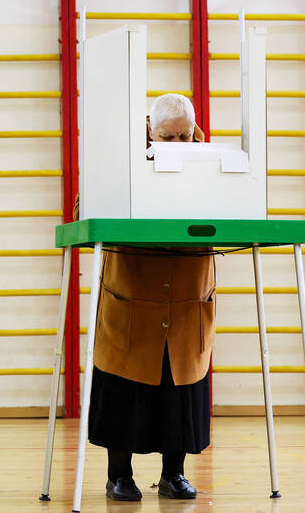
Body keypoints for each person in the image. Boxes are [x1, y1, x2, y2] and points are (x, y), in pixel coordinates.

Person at [87, 93, 213, 501]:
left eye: (183, 137)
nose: (177, 146)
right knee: (124, 390)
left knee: (179, 390)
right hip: (132, 296)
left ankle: (173, 475)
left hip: (186, 296)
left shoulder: (210, 159)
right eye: (167, 138)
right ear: (148, 130)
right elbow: (83, 210)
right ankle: (118, 476)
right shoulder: (118, 158)